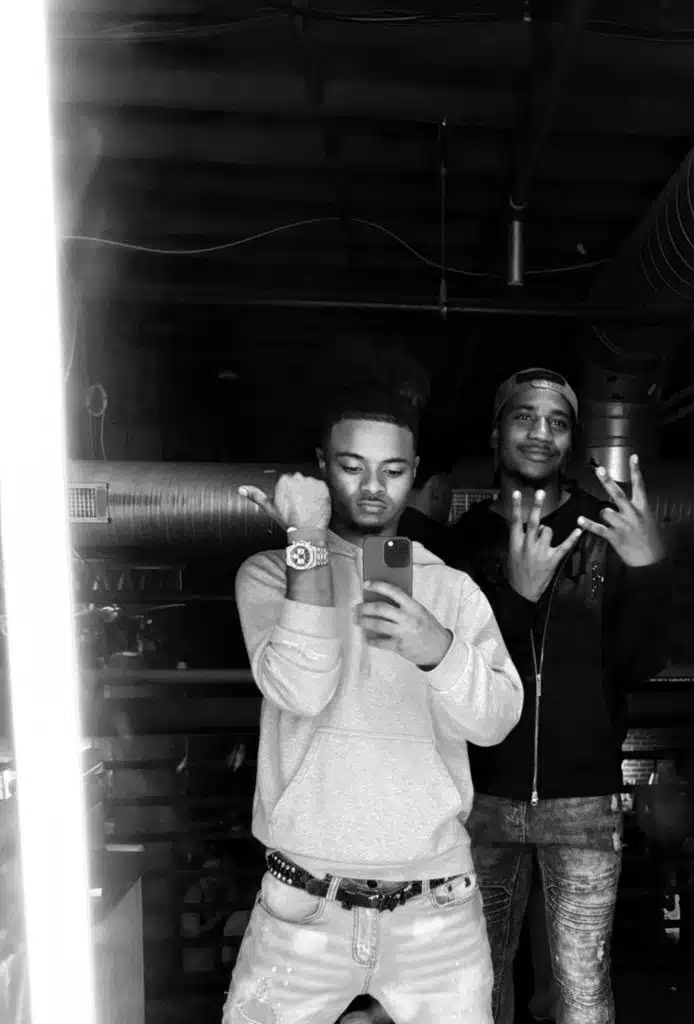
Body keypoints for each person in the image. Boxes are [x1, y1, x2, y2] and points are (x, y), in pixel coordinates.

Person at [223, 384, 523, 1024]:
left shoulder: (451, 588)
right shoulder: (272, 573)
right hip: (301, 905)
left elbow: (497, 722)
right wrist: (307, 538)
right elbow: (302, 687)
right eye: (351, 466)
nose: (371, 487)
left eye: (391, 470)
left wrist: (438, 650)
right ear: (321, 466)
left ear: (414, 474)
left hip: (438, 910)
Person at [448, 367, 676, 1024]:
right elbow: (451, 670)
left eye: (557, 422)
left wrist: (649, 568)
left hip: (584, 799)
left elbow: (644, 661)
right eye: (524, 416)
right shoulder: (463, 544)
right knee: (477, 985)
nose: (540, 433)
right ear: (496, 432)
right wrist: (515, 596)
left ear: (571, 441)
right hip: (481, 797)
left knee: (582, 987)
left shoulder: (606, 529)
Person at [397, 425, 456, 563]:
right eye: (450, 487)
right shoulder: (444, 543)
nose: (451, 498)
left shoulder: (385, 530)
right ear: (437, 486)